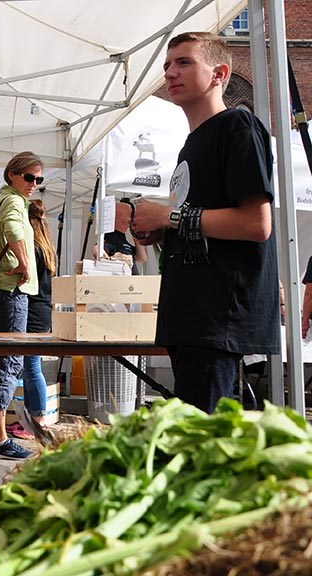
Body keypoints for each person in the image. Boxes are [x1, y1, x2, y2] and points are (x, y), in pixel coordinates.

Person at [130, 32, 278, 414]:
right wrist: (162, 230)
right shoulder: (191, 143)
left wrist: (168, 215)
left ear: (219, 74)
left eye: (184, 62)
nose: (170, 72)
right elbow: (201, 225)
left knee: (204, 445)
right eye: (167, 65)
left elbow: (256, 224)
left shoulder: (237, 126)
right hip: (190, 315)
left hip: (216, 318)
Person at [0, 151, 43, 461]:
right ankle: (0, 439)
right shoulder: (14, 202)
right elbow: (15, 231)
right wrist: (26, 264)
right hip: (10, 290)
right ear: (13, 174)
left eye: (39, 180)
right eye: (29, 177)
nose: (34, 184)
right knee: (8, 362)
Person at [7, 199, 56, 440]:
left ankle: (37, 421)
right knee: (31, 365)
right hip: (43, 309)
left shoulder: (32, 247)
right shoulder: (46, 246)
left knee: (31, 366)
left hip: (34, 309)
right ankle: (34, 419)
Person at [100, 202, 148, 274]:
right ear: (120, 216)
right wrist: (110, 261)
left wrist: (137, 236)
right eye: (130, 215)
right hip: (121, 283)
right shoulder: (111, 236)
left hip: (131, 283)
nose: (131, 219)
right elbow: (97, 249)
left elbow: (142, 258)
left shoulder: (122, 238)